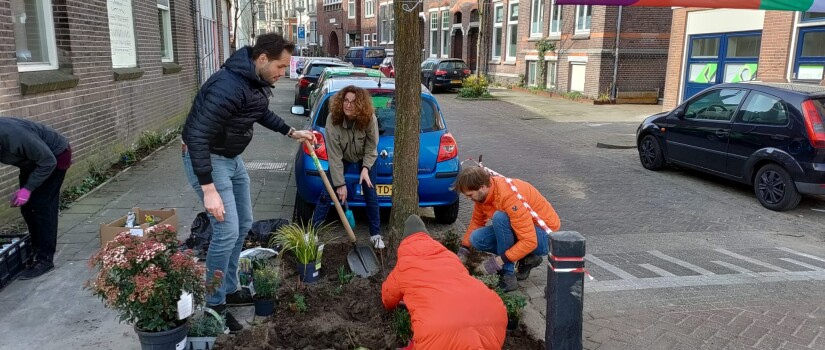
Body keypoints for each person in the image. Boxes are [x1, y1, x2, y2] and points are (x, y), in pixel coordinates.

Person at [181, 32, 315, 332]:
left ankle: (229, 289)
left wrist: (292, 132)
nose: (284, 73)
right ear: (263, 59)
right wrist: (208, 189)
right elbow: (196, 135)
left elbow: (260, 112)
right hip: (208, 159)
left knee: (243, 224)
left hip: (230, 159)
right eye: (281, 67)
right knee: (226, 232)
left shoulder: (254, 82)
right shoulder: (227, 86)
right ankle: (214, 307)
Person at [382, 215, 507, 350]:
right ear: (428, 237)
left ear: (404, 241)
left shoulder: (403, 265)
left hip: (438, 329)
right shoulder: (450, 256)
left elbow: (388, 298)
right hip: (492, 315)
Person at [453, 166, 561, 292]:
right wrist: (464, 250)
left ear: (482, 187)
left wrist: (499, 261)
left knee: (501, 218)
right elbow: (477, 222)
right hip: (522, 230)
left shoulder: (509, 196)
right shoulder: (482, 197)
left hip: (544, 237)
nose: (468, 199)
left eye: (470, 195)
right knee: (476, 238)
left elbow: (529, 241)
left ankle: (507, 274)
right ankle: (526, 258)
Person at [311, 85, 385, 249]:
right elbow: (334, 155)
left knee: (371, 193)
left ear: (360, 105)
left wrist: (365, 169)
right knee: (327, 193)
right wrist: (340, 184)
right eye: (346, 100)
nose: (348, 105)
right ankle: (312, 233)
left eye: (353, 102)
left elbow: (371, 147)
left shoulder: (369, 118)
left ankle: (375, 235)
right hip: (341, 158)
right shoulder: (333, 119)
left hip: (364, 157)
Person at [0, 117, 72, 280]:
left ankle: (45, 259)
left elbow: (48, 162)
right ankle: (36, 248)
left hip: (54, 157)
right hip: (32, 162)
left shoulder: (15, 135)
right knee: (27, 208)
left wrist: (27, 189)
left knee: (41, 207)